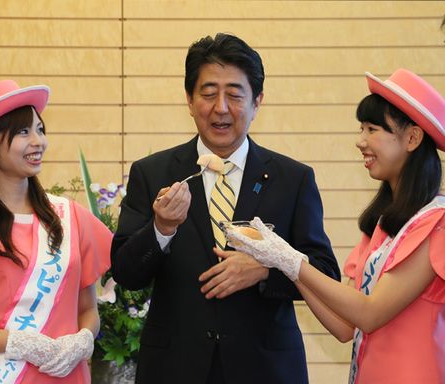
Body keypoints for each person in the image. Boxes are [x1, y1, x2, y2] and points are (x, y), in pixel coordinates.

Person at [111, 33, 340, 384]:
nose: (221, 107)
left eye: (234, 94)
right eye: (208, 93)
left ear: (257, 101)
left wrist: (266, 270)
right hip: (175, 368)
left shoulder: (292, 179)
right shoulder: (153, 172)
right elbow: (126, 274)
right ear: (189, 100)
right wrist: (162, 229)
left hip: (266, 369)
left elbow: (325, 274)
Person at [225, 69, 445, 383]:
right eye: (361, 129)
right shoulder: (384, 225)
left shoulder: (436, 222)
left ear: (412, 138)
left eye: (372, 129)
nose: (361, 142)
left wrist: (289, 258)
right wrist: (285, 263)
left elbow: (370, 314)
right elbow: (345, 326)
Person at [0, 80, 112, 383]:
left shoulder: (70, 216)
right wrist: (17, 342)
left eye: (40, 129)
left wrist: (84, 338)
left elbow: (88, 308)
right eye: (23, 132)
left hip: (69, 375)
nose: (38, 141)